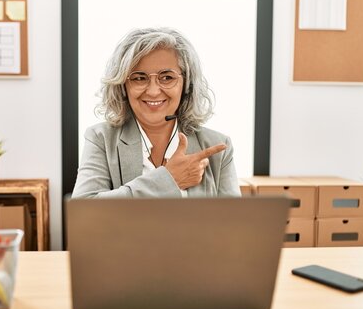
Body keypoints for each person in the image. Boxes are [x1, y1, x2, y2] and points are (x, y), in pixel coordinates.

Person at [72, 27, 240, 198]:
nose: (153, 91)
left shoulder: (218, 146)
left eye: (167, 77)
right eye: (139, 78)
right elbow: (85, 210)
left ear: (187, 84)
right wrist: (168, 180)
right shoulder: (101, 138)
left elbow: (235, 222)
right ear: (123, 85)